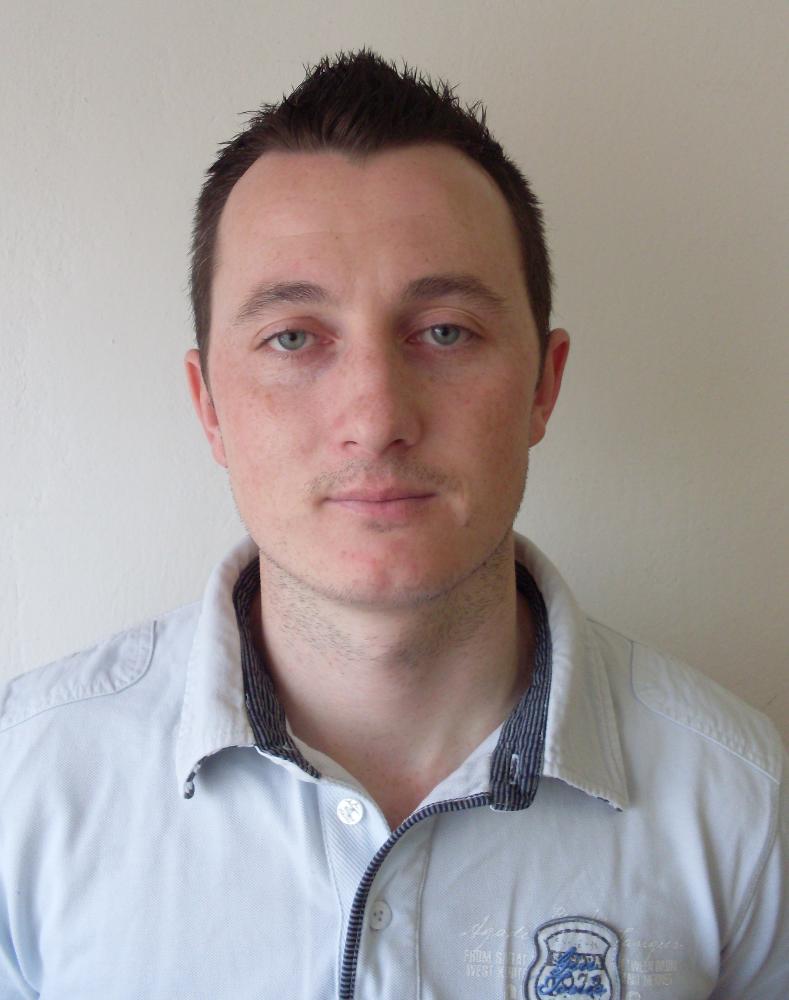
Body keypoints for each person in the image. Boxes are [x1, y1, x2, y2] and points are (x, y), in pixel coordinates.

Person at [0, 50, 785, 1000]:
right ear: (209, 407)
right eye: (294, 337)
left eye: (445, 331)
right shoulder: (23, 791)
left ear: (542, 386)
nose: (375, 419)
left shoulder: (746, 809)